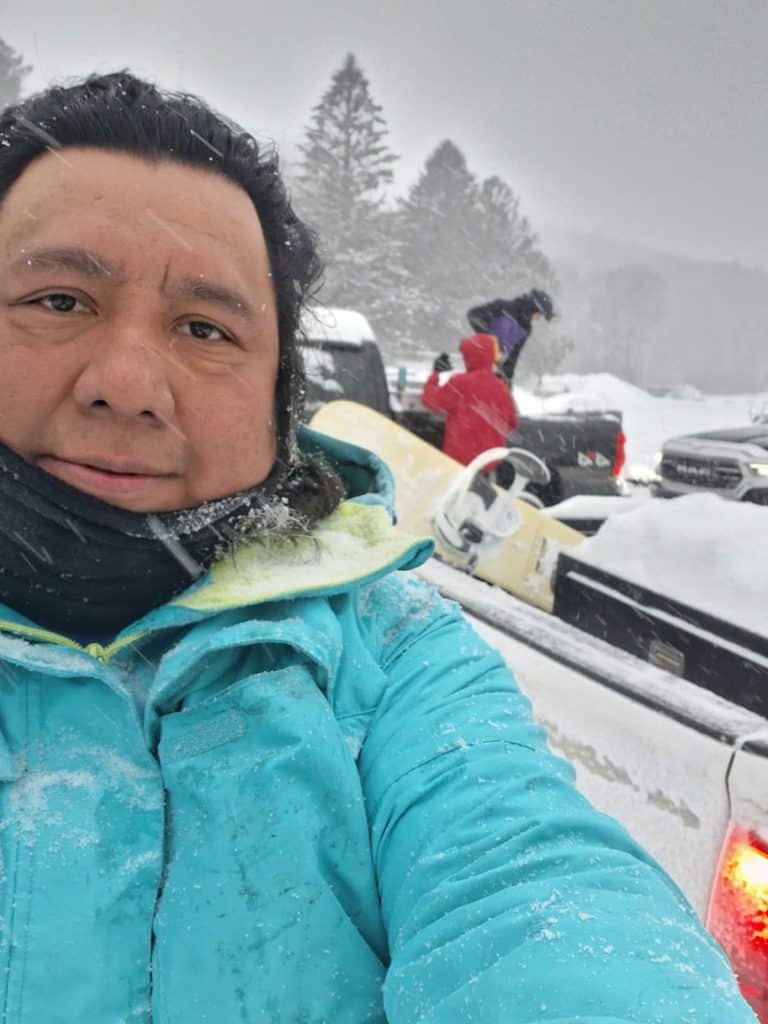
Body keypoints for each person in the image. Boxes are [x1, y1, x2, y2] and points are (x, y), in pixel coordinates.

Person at [0, 72, 755, 1024]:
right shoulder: (484, 374)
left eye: (205, 327)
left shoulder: (394, 664)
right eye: (60, 300)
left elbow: (529, 891)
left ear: (279, 403)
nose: (127, 383)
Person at [421, 332, 518, 465]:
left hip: (459, 462)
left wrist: (436, 374)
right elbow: (511, 424)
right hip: (489, 461)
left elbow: (430, 400)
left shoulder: (460, 383)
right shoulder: (501, 386)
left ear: (468, 356)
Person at [467, 288, 555, 383]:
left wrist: (507, 377)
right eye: (539, 314)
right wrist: (487, 339)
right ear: (533, 307)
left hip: (492, 368)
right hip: (474, 359)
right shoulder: (503, 307)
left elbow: (514, 354)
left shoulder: (526, 328)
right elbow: (473, 315)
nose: (538, 318)